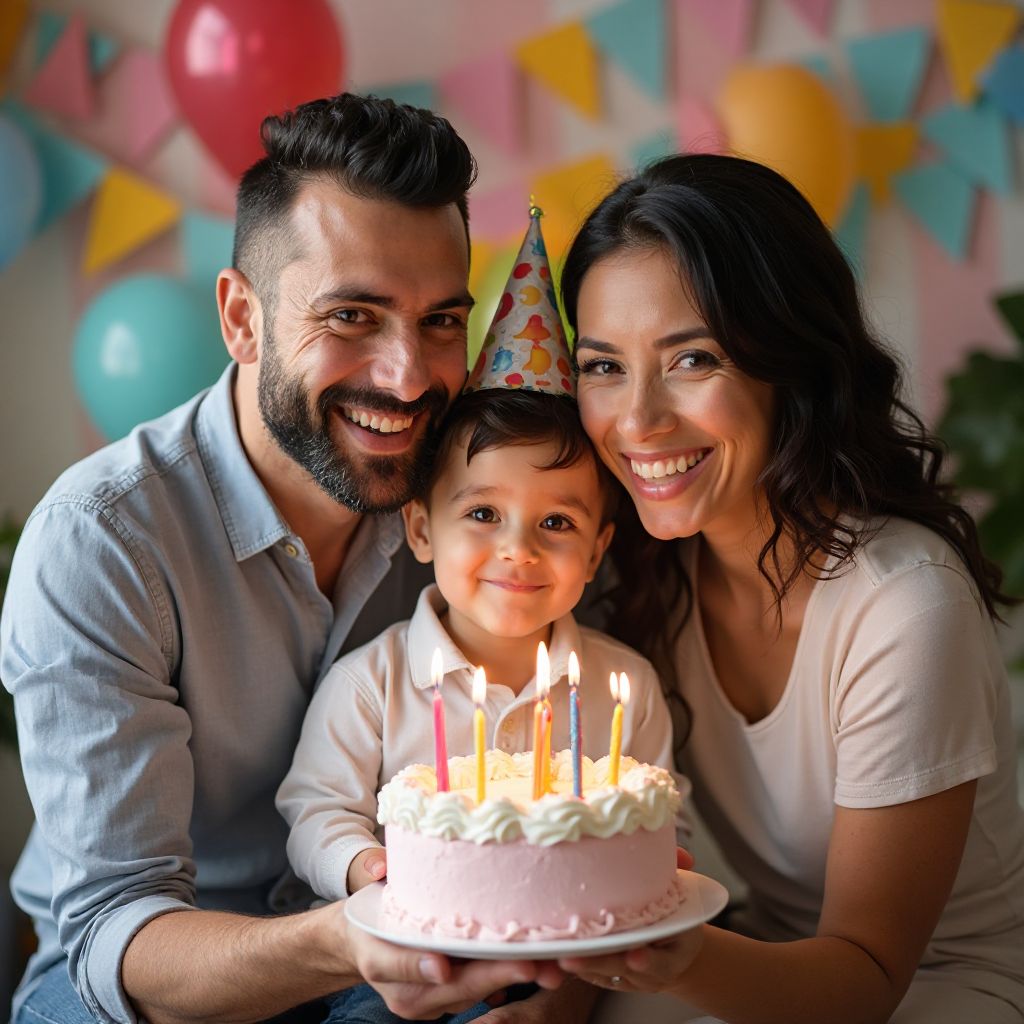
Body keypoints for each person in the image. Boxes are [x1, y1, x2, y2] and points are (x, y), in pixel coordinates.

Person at [0, 93, 562, 1024]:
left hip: (403, 955)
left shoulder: (479, 503)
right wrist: (349, 935)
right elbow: (116, 928)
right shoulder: (101, 539)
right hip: (150, 979)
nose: (409, 375)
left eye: (440, 322)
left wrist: (564, 986)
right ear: (242, 319)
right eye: (352, 316)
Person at [555, 154, 1024, 1023]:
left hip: (932, 987)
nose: (638, 421)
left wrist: (659, 948)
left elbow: (864, 977)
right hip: (758, 957)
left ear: (788, 362)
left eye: (692, 358)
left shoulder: (905, 606)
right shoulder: (635, 573)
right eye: (603, 366)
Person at [276, 210, 684, 1024]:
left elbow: (653, 833)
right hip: (398, 963)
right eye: (485, 515)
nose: (519, 552)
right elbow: (313, 810)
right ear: (422, 528)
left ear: (598, 550)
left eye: (557, 524)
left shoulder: (623, 688)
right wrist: (371, 870)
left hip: (563, 969)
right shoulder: (375, 682)